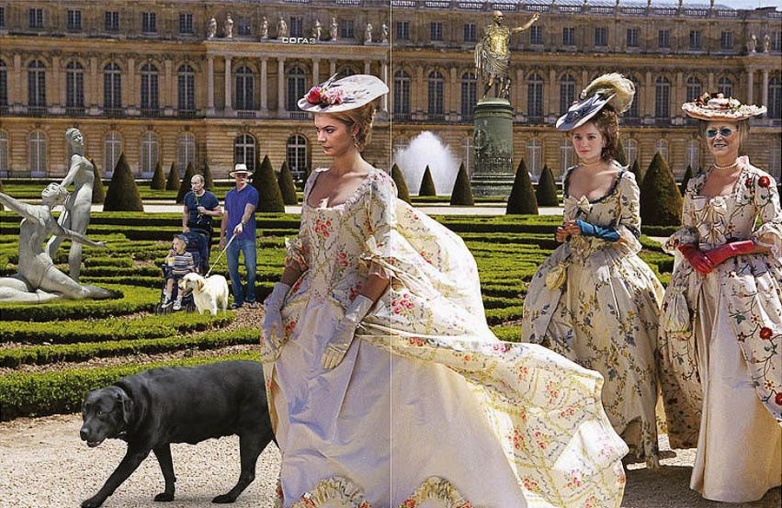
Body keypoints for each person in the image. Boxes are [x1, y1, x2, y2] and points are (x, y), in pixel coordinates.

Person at [260, 74, 628, 507]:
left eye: (329, 129)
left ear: (355, 130)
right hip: (309, 314)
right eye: (318, 129)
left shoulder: (377, 184)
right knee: (303, 416)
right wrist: (278, 297)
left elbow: (385, 259)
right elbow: (303, 249)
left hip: (358, 312)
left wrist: (351, 321)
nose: (320, 138)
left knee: (364, 419)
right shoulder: (314, 181)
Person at [520, 73, 665, 467]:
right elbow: (568, 225)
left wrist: (591, 230)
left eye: (590, 137)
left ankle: (623, 436)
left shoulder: (624, 179)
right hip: (571, 272)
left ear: (606, 138)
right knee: (560, 346)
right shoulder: (570, 176)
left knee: (619, 354)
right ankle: (576, 431)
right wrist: (565, 233)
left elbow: (632, 236)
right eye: (577, 137)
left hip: (611, 276)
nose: (582, 144)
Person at [658, 92, 781, 503]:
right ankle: (719, 468)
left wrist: (725, 251)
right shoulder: (696, 183)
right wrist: (692, 251)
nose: (718, 138)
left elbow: (773, 235)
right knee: (711, 377)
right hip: (702, 289)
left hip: (744, 291)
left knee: (736, 378)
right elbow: (688, 230)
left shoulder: (759, 181)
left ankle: (740, 477)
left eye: (726, 130)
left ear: (741, 132)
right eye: (711, 132)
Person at [0, 183, 113, 303]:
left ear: (57, 199)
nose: (47, 188)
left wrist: (94, 244)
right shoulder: (48, 219)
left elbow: (10, 202)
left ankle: (112, 293)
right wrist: (93, 244)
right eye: (48, 187)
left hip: (41, 269)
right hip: (25, 271)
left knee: (80, 292)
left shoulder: (37, 212)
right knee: (79, 292)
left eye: (53, 188)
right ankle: (47, 297)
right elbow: (72, 234)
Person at [46, 127, 94, 282]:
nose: (80, 139)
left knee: (57, 236)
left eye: (80, 136)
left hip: (73, 198)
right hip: (82, 199)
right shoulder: (77, 158)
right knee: (77, 240)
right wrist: (58, 190)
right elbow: (70, 176)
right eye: (75, 138)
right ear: (70, 142)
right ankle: (74, 281)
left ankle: (43, 271)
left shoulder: (79, 157)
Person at [474, 10, 539, 99]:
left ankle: (500, 98)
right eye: (499, 17)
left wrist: (532, 20)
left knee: (504, 80)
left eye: (502, 17)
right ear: (494, 18)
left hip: (503, 57)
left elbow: (522, 28)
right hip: (493, 57)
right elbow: (483, 42)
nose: (501, 18)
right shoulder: (488, 30)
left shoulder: (506, 30)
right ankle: (485, 95)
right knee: (491, 80)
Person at [219, 163, 258, 309]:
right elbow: (226, 216)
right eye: (239, 175)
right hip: (231, 237)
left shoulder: (252, 192)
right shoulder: (229, 194)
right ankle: (238, 299)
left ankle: (251, 297)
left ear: (247, 177)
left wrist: (242, 223)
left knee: (251, 268)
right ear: (234, 177)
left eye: (244, 175)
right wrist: (221, 237)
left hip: (247, 237)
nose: (241, 177)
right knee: (232, 269)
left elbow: (248, 210)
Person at [182, 173, 222, 273]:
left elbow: (219, 212)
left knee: (204, 256)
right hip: (192, 228)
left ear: (202, 184)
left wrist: (206, 212)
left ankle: (203, 274)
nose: (193, 186)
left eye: (196, 183)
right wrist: (184, 226)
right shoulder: (188, 196)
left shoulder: (210, 197)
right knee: (191, 254)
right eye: (192, 183)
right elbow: (185, 212)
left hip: (205, 229)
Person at [162, 234, 196, 311]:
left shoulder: (188, 255)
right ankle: (168, 298)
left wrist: (193, 271)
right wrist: (169, 255)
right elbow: (166, 262)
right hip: (174, 274)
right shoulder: (173, 255)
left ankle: (178, 300)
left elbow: (191, 266)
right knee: (169, 281)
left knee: (180, 282)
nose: (174, 246)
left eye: (177, 244)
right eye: (173, 244)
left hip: (183, 275)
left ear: (183, 246)